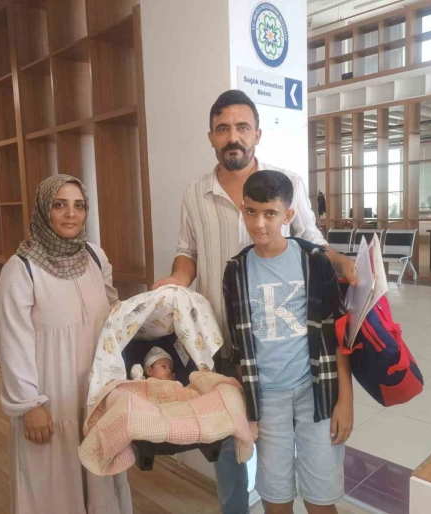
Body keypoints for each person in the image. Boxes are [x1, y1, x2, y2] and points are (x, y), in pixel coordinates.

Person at [152, 90, 355, 514]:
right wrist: (176, 279)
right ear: (211, 136)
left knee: (303, 463)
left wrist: (344, 263)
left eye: (242, 127)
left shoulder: (287, 184)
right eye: (223, 128)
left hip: (292, 355)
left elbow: (312, 242)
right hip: (227, 346)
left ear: (257, 134)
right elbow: (187, 252)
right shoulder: (195, 193)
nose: (233, 137)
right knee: (231, 454)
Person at [0, 175, 132, 514]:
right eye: (60, 205)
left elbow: (113, 315)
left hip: (96, 393)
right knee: (55, 486)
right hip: (51, 401)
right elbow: (12, 344)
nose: (71, 214)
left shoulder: (95, 257)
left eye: (79, 205)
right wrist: (29, 405)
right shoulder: (21, 270)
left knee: (100, 477)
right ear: (44, 210)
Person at [223, 170, 353, 514]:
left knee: (320, 496)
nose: (259, 223)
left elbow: (336, 336)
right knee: (275, 495)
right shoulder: (235, 271)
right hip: (267, 399)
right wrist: (248, 410)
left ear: (288, 215)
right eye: (251, 211)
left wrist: (345, 401)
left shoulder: (314, 261)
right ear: (242, 209)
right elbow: (239, 347)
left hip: (317, 393)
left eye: (270, 213)